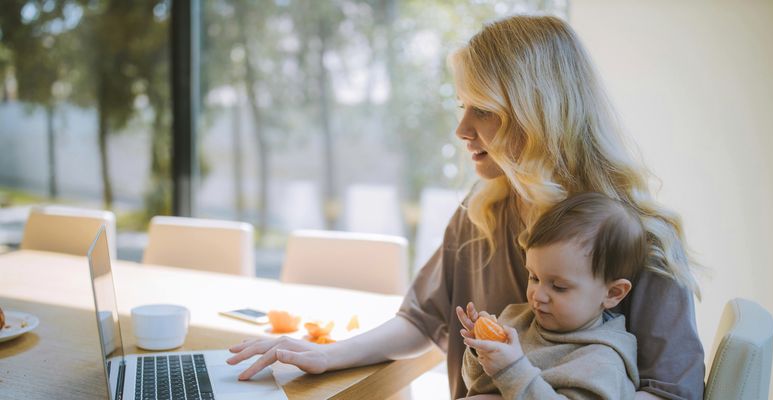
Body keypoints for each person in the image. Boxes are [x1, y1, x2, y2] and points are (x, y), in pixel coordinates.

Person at [226, 15, 704, 400]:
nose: (462, 130)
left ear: (539, 116)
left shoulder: (642, 237)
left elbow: (672, 391)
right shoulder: (480, 213)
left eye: (485, 110)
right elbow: (421, 321)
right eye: (462, 107)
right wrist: (328, 355)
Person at [458, 192, 646, 399]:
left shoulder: (602, 361)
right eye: (534, 277)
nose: (538, 295)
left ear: (612, 293)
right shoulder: (517, 320)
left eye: (558, 286)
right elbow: (475, 384)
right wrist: (481, 351)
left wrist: (511, 369)